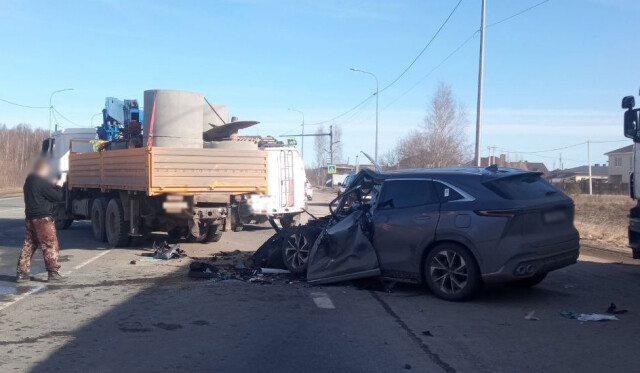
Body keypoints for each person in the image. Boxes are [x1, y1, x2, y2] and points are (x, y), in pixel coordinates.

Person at [16, 158, 65, 283]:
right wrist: (59, 185)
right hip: (42, 218)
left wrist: (51, 185)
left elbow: (42, 193)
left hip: (30, 217)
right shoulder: (40, 181)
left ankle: (22, 273)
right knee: (50, 245)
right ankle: (53, 273)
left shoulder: (29, 181)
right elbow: (57, 197)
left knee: (29, 245)